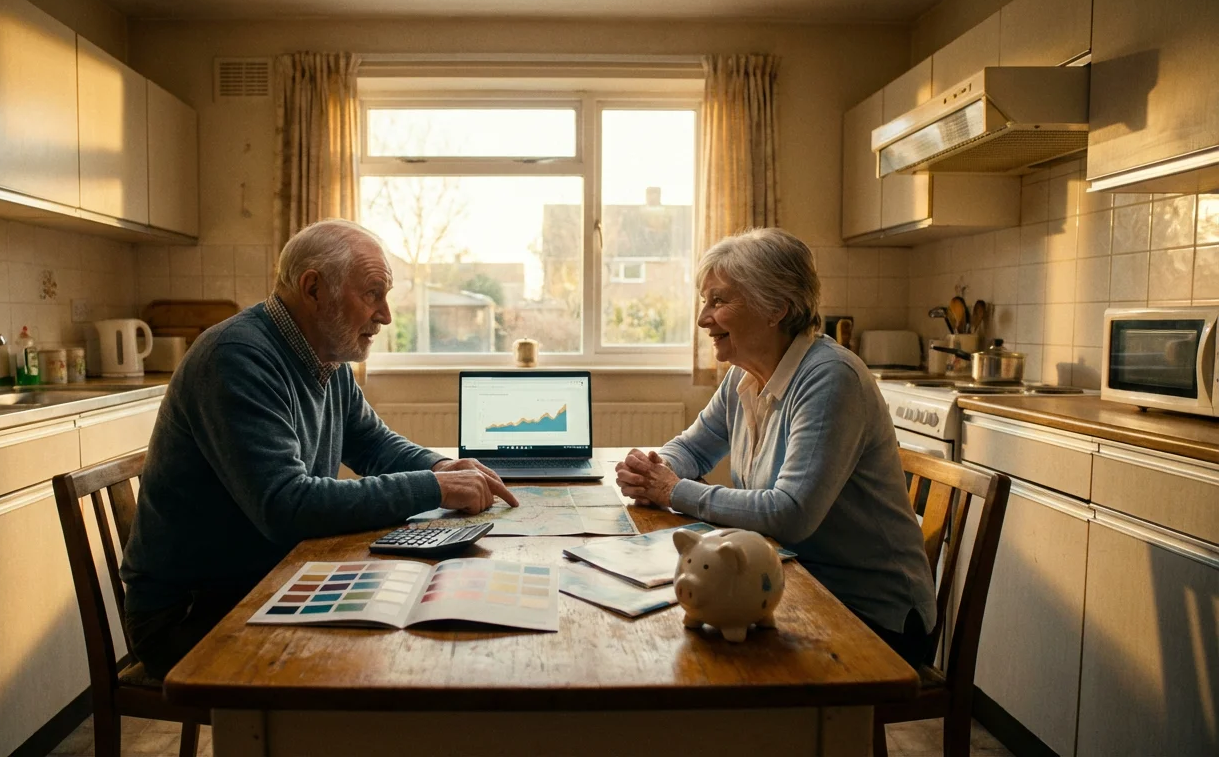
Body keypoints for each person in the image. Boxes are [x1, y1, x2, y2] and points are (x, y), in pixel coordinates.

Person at [120, 218, 517, 679]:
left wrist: (442, 465)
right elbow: (287, 506)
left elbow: (372, 442)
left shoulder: (325, 355)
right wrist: (436, 487)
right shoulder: (235, 358)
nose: (386, 315)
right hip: (192, 613)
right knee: (388, 658)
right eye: (372, 294)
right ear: (313, 289)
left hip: (265, 577)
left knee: (422, 610)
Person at [615, 227, 936, 666]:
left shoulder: (830, 378)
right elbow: (693, 448)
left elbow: (789, 514)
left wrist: (671, 490)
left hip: (868, 613)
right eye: (704, 302)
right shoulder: (744, 375)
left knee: (692, 651)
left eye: (719, 301)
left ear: (776, 309)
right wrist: (654, 467)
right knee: (673, 626)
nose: (703, 319)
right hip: (789, 579)